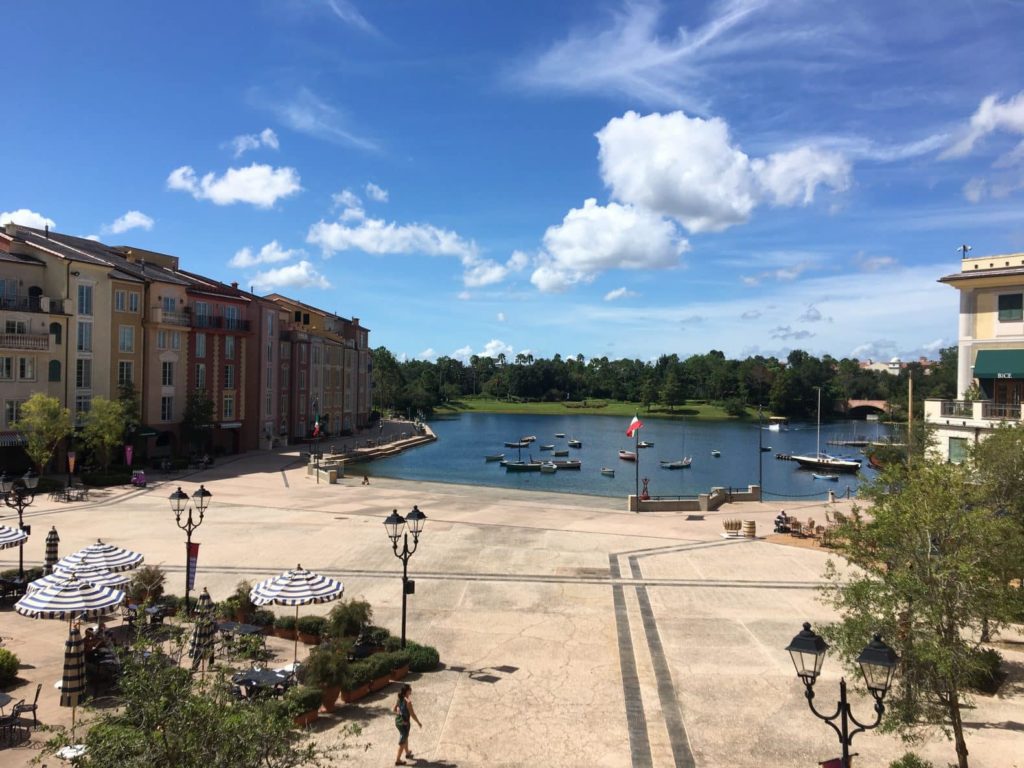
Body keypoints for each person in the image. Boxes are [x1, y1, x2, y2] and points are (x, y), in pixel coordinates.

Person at [393, 683, 421, 765]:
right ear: (407, 692)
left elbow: (394, 709)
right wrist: (418, 722)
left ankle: (407, 753)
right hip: (404, 724)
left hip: (398, 722)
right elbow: (412, 714)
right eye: (410, 689)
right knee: (402, 742)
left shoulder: (399, 699)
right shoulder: (408, 702)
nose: (411, 690)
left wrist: (399, 711)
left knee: (405, 737)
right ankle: (398, 760)